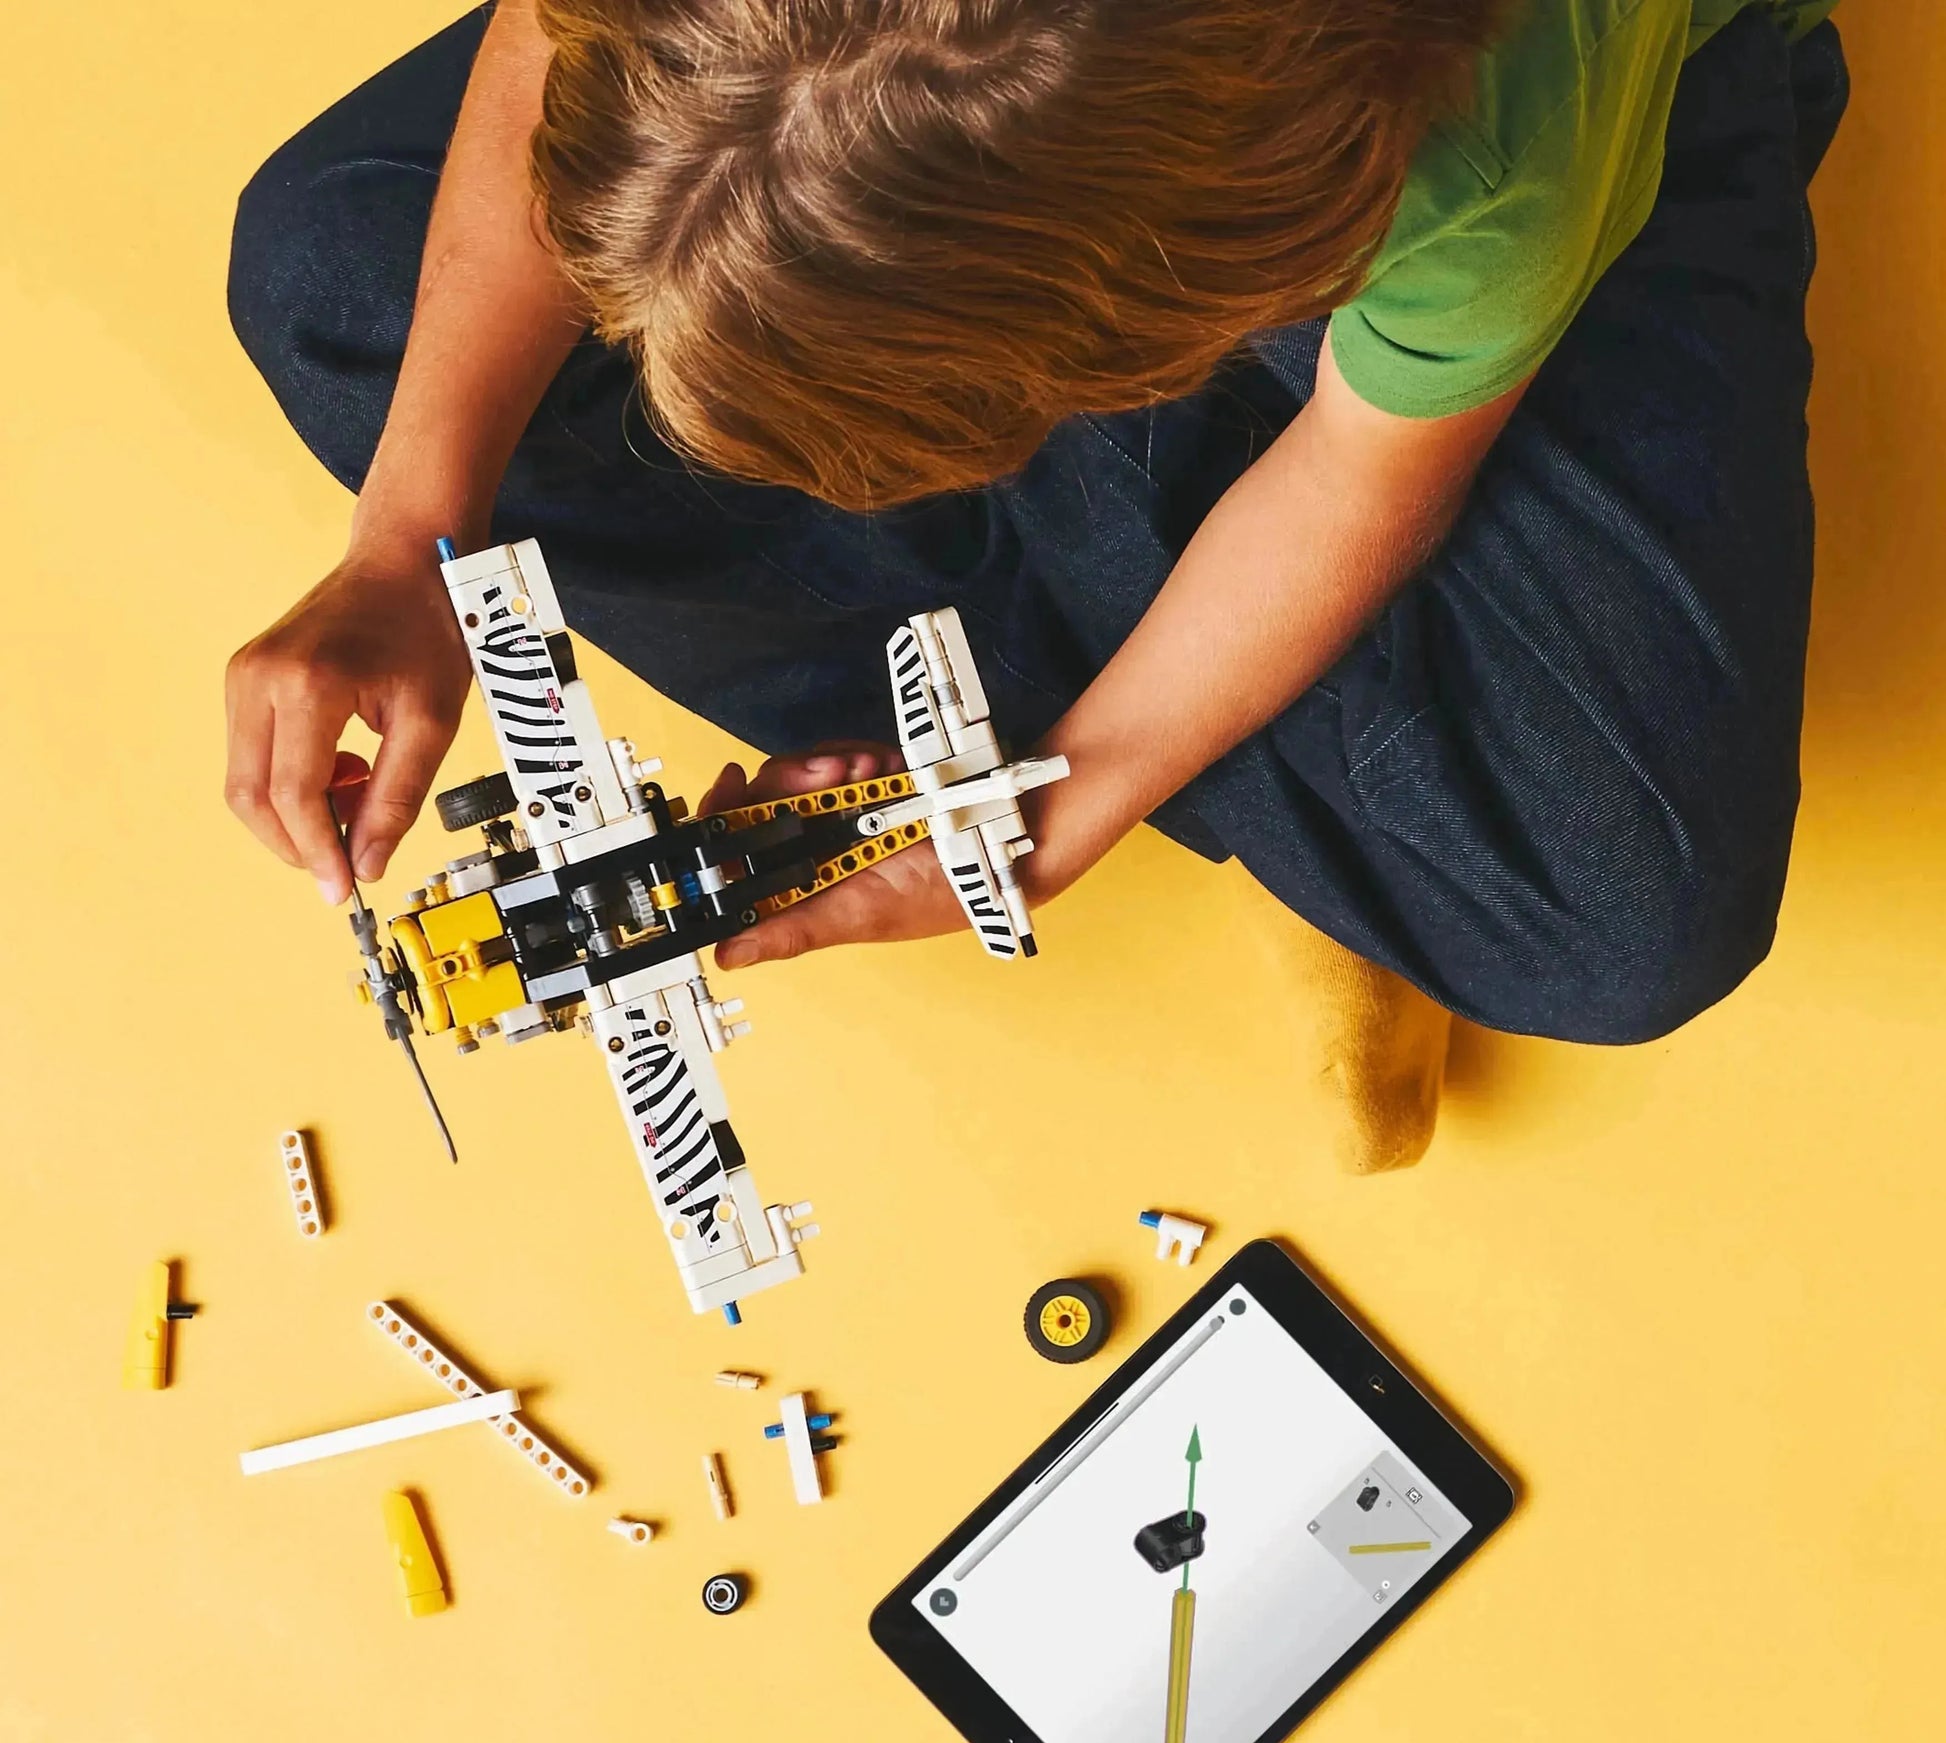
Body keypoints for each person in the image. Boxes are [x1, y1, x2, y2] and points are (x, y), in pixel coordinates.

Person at [225, 0, 1847, 1068]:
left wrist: (1065, 800)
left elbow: (1363, 466)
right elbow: (565, 31)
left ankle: (1249, 728)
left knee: (1620, 920)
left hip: (1438, 147)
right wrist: (411, 530)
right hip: (1094, 162)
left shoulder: (1491, 155)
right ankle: (1311, 762)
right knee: (328, 272)